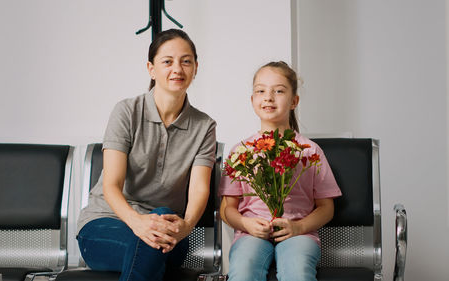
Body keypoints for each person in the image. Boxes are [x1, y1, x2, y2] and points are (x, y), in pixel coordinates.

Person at [76, 29, 217, 281]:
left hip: (171, 230)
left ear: (196, 68)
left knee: (160, 220)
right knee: (150, 245)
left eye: (186, 61)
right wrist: (137, 222)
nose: (178, 69)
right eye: (167, 62)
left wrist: (186, 226)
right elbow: (112, 185)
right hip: (106, 224)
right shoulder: (127, 112)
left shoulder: (204, 126)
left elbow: (199, 190)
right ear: (151, 69)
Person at [219, 61, 342, 281]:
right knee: (243, 271)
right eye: (261, 91)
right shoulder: (241, 152)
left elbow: (326, 207)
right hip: (251, 233)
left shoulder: (309, 151)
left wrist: (298, 227)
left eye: (278, 91)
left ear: (294, 101)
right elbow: (227, 208)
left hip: (299, 233)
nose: (268, 97)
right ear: (252, 100)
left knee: (297, 272)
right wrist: (246, 224)